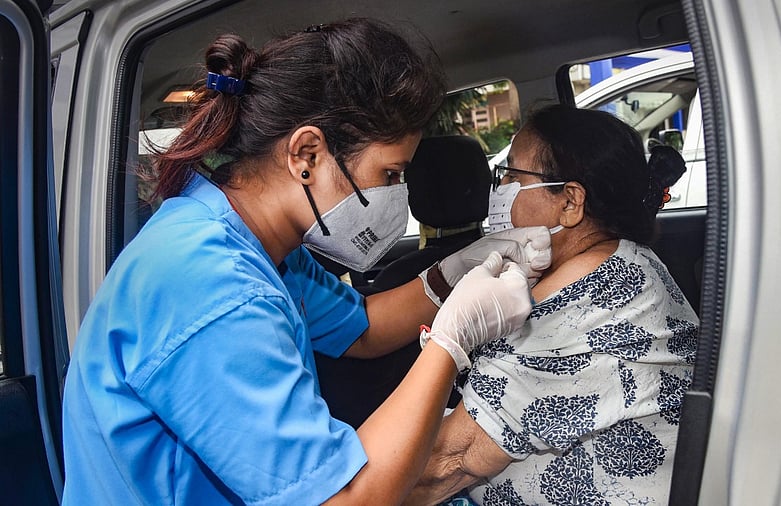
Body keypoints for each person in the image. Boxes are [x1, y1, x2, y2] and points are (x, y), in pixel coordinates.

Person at [60, 19, 552, 505]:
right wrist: (451, 342)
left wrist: (455, 272)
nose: (397, 195)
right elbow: (340, 501)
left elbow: (363, 329)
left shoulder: (261, 244)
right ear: (306, 154)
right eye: (390, 173)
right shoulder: (213, 287)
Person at [405, 105, 700, 506]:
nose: (501, 186)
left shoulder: (584, 308)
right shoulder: (621, 261)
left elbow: (440, 468)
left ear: (570, 202)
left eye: (512, 174)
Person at [316, 134, 493, 428]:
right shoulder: (505, 267)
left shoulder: (396, 281)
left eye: (399, 176)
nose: (395, 187)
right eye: (390, 175)